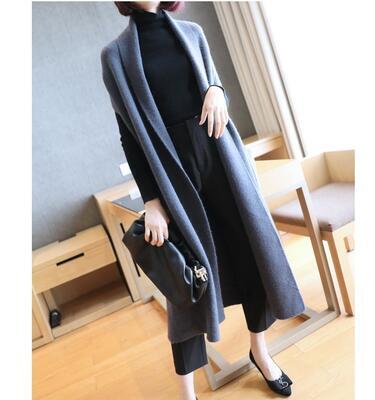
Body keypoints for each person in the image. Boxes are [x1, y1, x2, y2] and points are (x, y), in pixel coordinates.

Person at [103, 2, 305, 398]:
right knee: (184, 282)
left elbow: (213, 85)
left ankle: (260, 352)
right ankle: (188, 393)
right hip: (172, 173)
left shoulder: (193, 33)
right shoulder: (115, 56)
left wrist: (217, 90)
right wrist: (152, 201)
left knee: (251, 256)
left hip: (222, 159)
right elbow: (128, 135)